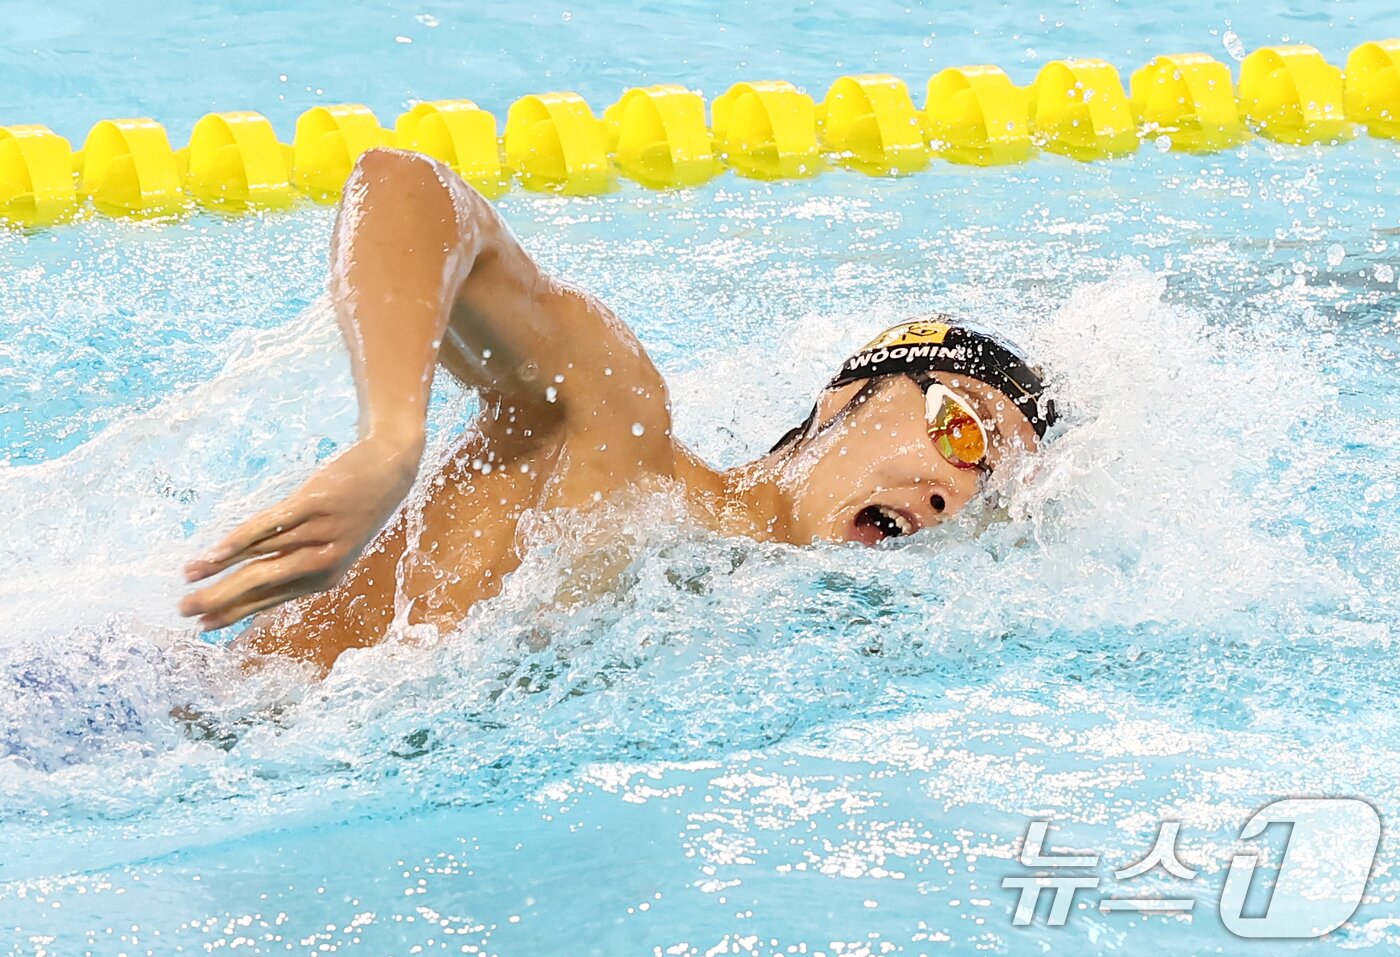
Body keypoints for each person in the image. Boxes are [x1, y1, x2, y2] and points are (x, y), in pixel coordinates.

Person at [178, 147, 1058, 672]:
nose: (956, 488)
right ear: (843, 400)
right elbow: (406, 187)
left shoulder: (747, 630)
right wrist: (390, 438)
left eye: (995, 486)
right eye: (961, 425)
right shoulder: (621, 432)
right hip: (128, 724)